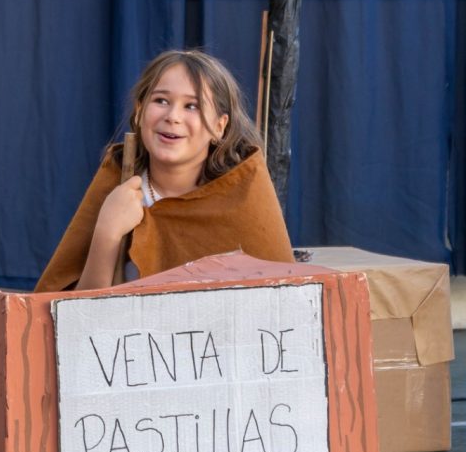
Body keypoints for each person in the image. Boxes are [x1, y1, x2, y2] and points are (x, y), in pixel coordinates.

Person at [36, 49, 294, 294]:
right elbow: (75, 317)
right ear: (139, 112)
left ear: (219, 126)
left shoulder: (243, 198)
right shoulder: (116, 187)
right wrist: (107, 232)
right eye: (161, 100)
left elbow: (283, 307)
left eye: (191, 106)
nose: (173, 116)